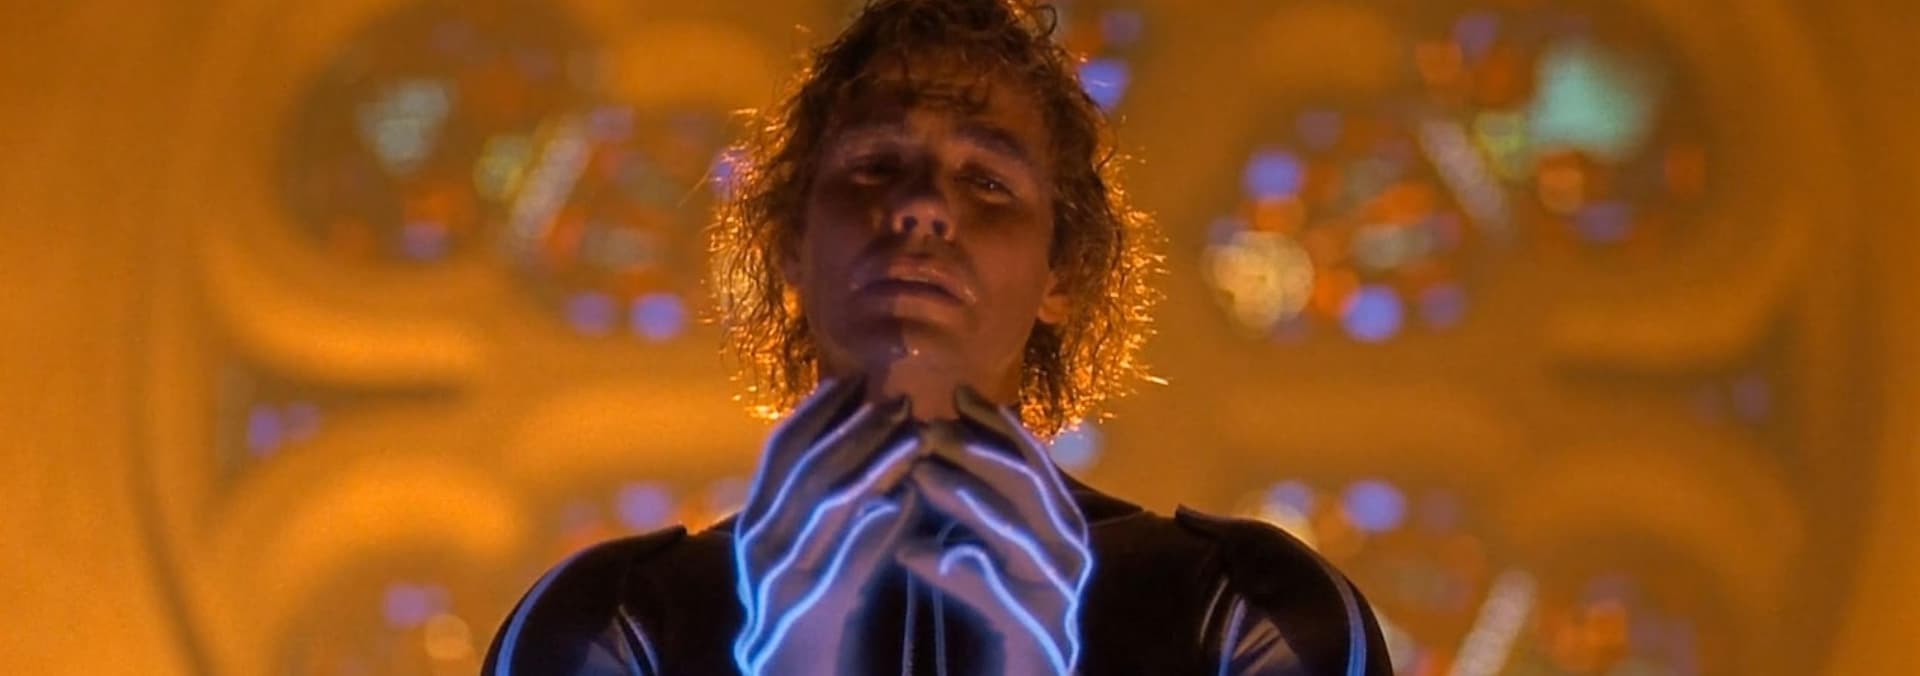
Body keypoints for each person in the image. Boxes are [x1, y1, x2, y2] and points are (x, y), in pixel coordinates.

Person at [483, 1, 1391, 673]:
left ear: (1062, 273)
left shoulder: (1245, 615)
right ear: (792, 245)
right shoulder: (610, 628)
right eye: (875, 166)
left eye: (986, 180)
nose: (920, 207)